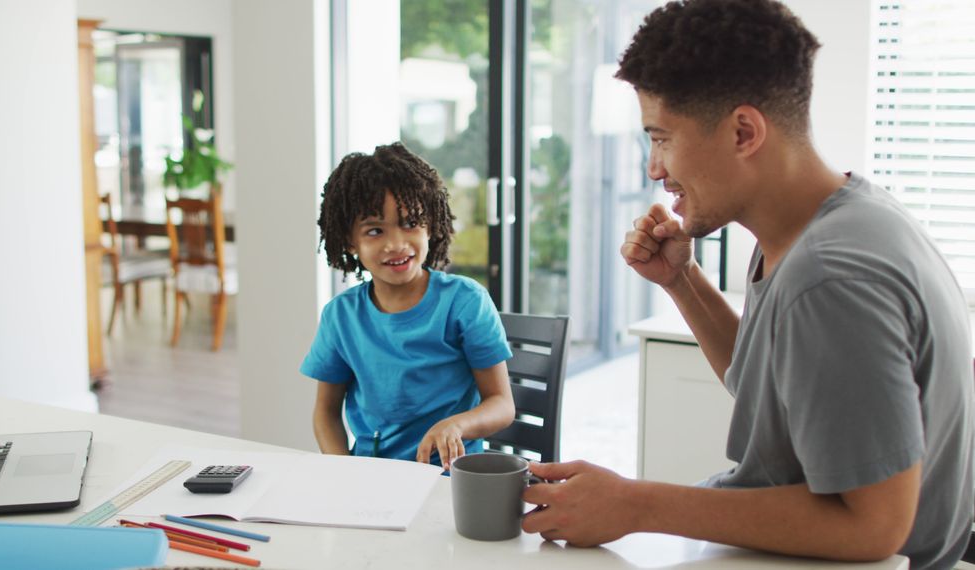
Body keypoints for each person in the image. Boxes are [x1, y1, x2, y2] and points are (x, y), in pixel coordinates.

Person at [521, 1, 974, 568]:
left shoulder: (831, 275)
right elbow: (773, 383)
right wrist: (682, 281)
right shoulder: (824, 220)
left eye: (661, 138)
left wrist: (637, 504)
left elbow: (876, 525)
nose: (654, 169)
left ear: (743, 131)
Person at [301, 142, 516, 470]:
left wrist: (457, 425)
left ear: (430, 225)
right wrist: (342, 471)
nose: (396, 244)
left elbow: (501, 404)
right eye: (374, 231)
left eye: (410, 223)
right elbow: (326, 412)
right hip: (373, 478)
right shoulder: (340, 317)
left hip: (451, 477)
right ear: (350, 241)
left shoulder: (465, 302)